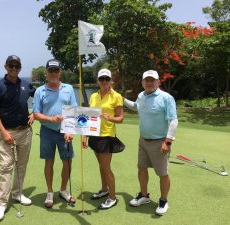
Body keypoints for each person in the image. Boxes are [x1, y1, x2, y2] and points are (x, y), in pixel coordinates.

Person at [0, 55, 36, 222]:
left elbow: (40, 97)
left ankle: (17, 193)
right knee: (5, 167)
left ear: (20, 67)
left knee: (21, 166)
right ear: (5, 66)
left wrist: (34, 112)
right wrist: (4, 132)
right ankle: (2, 203)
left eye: (17, 66)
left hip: (25, 132)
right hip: (7, 133)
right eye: (11, 65)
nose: (14, 68)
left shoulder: (26, 85)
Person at [124, 70, 178, 216]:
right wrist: (121, 99)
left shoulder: (166, 98)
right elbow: (136, 107)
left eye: (152, 80)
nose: (149, 82)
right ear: (142, 82)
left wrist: (168, 141)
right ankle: (144, 195)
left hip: (160, 142)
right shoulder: (141, 96)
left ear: (158, 82)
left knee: (163, 173)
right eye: (146, 80)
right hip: (143, 140)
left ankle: (163, 201)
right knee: (141, 168)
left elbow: (173, 121)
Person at [33, 59, 77, 208]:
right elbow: (36, 114)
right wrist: (51, 118)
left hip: (65, 131)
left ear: (60, 72)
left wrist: (70, 130)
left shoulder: (68, 88)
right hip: (47, 131)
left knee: (67, 161)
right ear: (46, 73)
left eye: (56, 71)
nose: (53, 73)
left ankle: (63, 190)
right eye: (50, 71)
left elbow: (73, 111)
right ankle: (50, 192)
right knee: (49, 161)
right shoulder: (40, 91)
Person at [82, 68, 124, 210]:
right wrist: (85, 135)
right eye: (102, 79)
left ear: (110, 80)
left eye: (107, 79)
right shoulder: (94, 96)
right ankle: (104, 189)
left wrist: (110, 117)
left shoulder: (116, 96)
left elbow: (120, 118)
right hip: (94, 134)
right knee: (101, 166)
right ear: (98, 81)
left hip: (107, 135)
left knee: (106, 168)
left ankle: (112, 197)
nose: (104, 81)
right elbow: (88, 117)